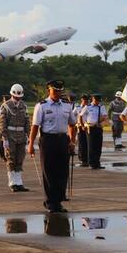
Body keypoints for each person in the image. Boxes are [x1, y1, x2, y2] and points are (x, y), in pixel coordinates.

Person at [28, 80, 76, 213]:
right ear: (49, 90)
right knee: (49, 172)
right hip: (48, 140)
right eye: (55, 91)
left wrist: (72, 141)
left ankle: (59, 200)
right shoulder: (42, 106)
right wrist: (31, 144)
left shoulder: (67, 105)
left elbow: (72, 124)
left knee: (62, 172)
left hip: (62, 140)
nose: (58, 93)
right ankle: (50, 202)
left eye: (60, 91)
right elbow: (35, 126)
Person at [0, 84, 30, 192]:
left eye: (20, 96)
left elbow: (27, 122)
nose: (18, 98)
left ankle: (19, 182)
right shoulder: (6, 106)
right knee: (11, 159)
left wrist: (29, 135)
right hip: (10, 135)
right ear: (12, 94)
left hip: (21, 136)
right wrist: (5, 138)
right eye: (16, 96)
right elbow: (2, 123)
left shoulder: (24, 106)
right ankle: (12, 183)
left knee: (20, 159)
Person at [80, 93, 108, 170]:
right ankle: (92, 163)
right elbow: (80, 115)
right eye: (96, 100)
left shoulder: (101, 107)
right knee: (91, 145)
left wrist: (101, 121)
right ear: (93, 99)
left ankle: (97, 162)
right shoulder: (88, 107)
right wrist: (82, 125)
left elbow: (105, 116)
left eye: (99, 100)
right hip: (90, 127)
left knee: (98, 145)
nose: (97, 102)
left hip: (98, 127)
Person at [75, 94, 90, 167]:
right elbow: (72, 115)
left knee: (88, 143)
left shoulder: (89, 107)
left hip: (87, 126)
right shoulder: (77, 107)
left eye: (87, 100)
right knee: (81, 143)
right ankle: (82, 159)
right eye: (84, 100)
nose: (86, 101)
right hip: (80, 127)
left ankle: (87, 159)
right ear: (81, 100)